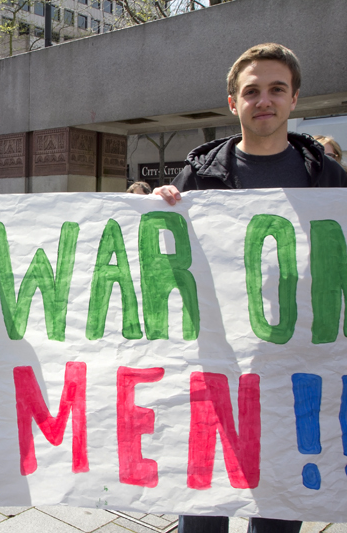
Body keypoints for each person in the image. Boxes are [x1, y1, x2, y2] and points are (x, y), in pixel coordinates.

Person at [153, 43, 347, 533]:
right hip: (216, 367)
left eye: (275, 90)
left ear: (294, 99)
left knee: (281, 505)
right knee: (204, 503)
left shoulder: (329, 180)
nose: (264, 100)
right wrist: (156, 211)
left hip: (294, 371)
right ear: (233, 102)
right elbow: (167, 261)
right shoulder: (198, 176)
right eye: (252, 91)